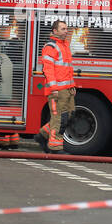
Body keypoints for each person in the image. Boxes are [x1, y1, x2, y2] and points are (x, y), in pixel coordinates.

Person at [36, 19, 76, 154]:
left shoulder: (64, 46)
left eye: (66, 29)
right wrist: (54, 89)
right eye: (63, 29)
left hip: (67, 89)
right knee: (60, 118)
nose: (66, 31)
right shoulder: (51, 47)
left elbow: (67, 69)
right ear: (55, 31)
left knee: (69, 116)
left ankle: (42, 135)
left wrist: (72, 86)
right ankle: (55, 147)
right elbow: (48, 70)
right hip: (58, 90)